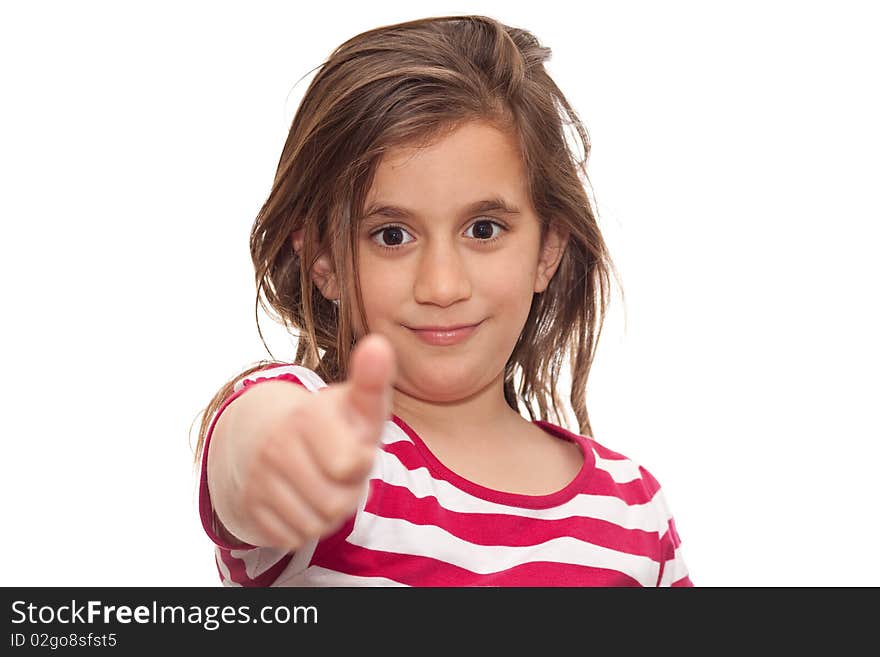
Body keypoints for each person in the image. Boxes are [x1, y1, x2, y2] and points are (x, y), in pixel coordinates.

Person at [192, 14, 692, 587]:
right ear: (323, 261)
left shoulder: (634, 511)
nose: (442, 286)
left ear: (547, 249)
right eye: (391, 236)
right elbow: (251, 451)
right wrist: (280, 460)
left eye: (483, 230)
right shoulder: (325, 441)